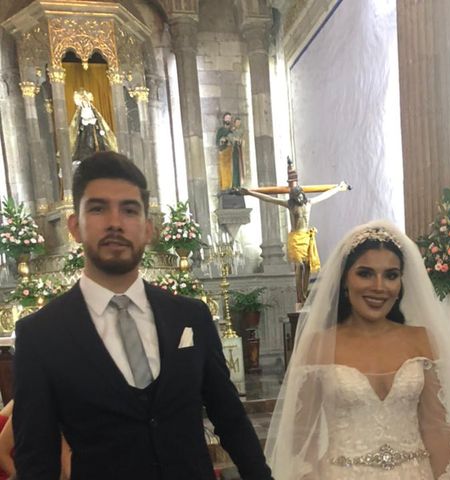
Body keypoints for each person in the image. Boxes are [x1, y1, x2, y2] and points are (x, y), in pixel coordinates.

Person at [13, 151, 272, 480]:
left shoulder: (190, 317)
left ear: (148, 229)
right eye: (98, 208)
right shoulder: (41, 335)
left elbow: (230, 418)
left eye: (129, 210)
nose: (115, 222)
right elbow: (36, 457)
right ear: (74, 227)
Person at [265, 220, 450, 479]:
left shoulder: (422, 341)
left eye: (391, 275)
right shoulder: (319, 346)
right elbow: (302, 438)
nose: (379, 287)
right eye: (365, 273)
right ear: (345, 279)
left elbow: (437, 429)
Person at [239, 180, 349, 304]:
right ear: (293, 197)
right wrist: (250, 193)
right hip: (296, 238)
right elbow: (269, 199)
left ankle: (304, 292)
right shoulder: (290, 205)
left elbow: (324, 195)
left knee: (308, 265)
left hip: (306, 237)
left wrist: (338, 188)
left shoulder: (309, 203)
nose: (300, 197)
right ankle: (299, 293)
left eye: (301, 194)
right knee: (300, 265)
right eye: (297, 196)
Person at [69, 89, 117, 165]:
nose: (85, 103)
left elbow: (99, 122)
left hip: (95, 131)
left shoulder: (93, 112)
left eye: (86, 101)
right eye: (83, 102)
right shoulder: (80, 114)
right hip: (84, 132)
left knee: (97, 142)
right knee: (86, 142)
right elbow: (77, 125)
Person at [216, 112, 243, 191]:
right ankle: (226, 187)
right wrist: (222, 140)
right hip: (224, 154)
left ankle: (235, 186)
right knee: (224, 172)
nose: (228, 120)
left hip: (232, 154)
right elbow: (218, 142)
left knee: (234, 170)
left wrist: (237, 142)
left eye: (230, 118)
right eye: (227, 118)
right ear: (224, 119)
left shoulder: (232, 131)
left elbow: (236, 140)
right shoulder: (221, 130)